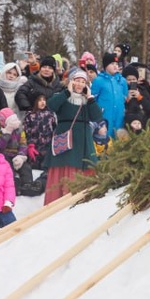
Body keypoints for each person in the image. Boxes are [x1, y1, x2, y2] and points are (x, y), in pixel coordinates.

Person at [44, 69, 103, 205]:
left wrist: (90, 97)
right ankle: (58, 202)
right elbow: (51, 105)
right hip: (65, 139)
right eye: (77, 81)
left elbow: (97, 116)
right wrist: (67, 92)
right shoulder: (63, 96)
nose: (80, 84)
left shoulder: (88, 101)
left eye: (83, 82)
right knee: (64, 167)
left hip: (83, 141)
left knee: (84, 167)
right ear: (71, 82)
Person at [91, 53, 128, 137]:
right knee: (104, 138)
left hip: (119, 116)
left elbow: (125, 97)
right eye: (112, 64)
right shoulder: (98, 80)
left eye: (116, 64)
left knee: (118, 137)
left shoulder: (122, 81)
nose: (115, 66)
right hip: (104, 116)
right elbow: (93, 99)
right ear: (106, 66)